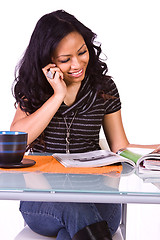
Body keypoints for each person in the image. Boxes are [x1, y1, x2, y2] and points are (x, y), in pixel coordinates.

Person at [10, 10, 159, 240]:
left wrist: (151, 151)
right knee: (73, 211)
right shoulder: (34, 89)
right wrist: (57, 95)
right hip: (42, 201)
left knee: (69, 231)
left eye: (82, 52)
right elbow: (17, 140)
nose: (78, 64)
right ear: (47, 60)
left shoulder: (104, 88)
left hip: (97, 196)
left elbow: (120, 146)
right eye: (65, 59)